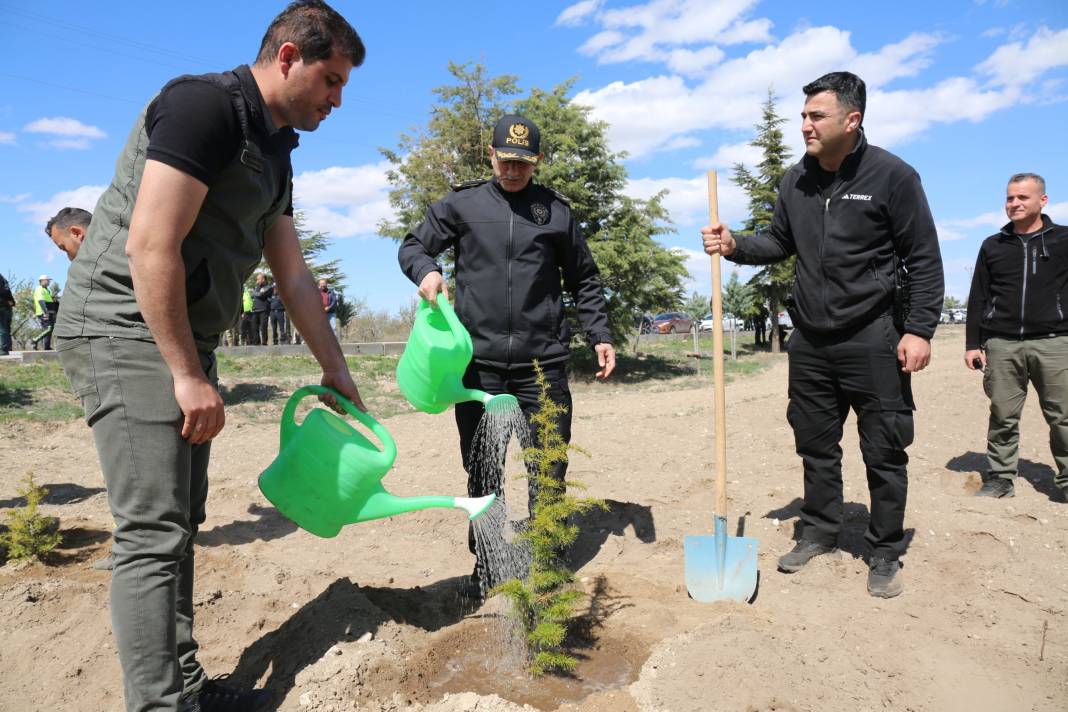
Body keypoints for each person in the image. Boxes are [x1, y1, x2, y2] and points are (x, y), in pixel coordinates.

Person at [52, 3, 366, 710]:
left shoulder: (277, 150)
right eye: (332, 80)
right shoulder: (203, 107)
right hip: (122, 324)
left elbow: (291, 276)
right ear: (288, 57)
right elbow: (149, 244)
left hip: (181, 337)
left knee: (181, 521)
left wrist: (336, 371)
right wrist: (187, 375)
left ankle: (188, 686)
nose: (337, 100)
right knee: (152, 531)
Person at [701, 72, 944, 599]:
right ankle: (820, 532)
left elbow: (923, 257)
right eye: (804, 116)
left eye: (817, 116)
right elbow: (780, 241)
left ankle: (883, 549)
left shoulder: (893, 176)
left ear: (851, 120)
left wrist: (919, 329)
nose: (805, 125)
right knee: (814, 443)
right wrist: (735, 243)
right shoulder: (796, 180)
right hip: (810, 339)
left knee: (883, 448)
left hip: (874, 335)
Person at [398, 113, 617, 597]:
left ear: (536, 161)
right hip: (480, 369)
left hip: (543, 367)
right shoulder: (463, 203)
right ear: (491, 155)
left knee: (548, 466)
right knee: (483, 472)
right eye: (505, 160)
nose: (513, 171)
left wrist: (598, 332)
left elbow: (584, 278)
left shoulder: (556, 212)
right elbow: (413, 245)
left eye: (523, 162)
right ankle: (488, 565)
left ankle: (548, 561)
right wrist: (426, 272)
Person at [965, 174, 1068, 503]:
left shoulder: (1064, 240)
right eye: (1010, 198)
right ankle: (1000, 478)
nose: (1014, 204)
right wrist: (972, 343)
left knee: (1063, 416)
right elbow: (978, 296)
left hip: (1055, 343)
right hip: (1002, 343)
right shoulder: (992, 245)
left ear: (1043, 200)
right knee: (1003, 415)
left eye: (1023, 197)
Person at [31, 274, 55, 350]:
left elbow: (50, 300)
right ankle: (34, 340)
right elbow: (41, 301)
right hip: (43, 312)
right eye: (48, 280)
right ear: (42, 281)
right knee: (48, 329)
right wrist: (46, 312)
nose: (49, 282)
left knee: (49, 330)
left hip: (50, 312)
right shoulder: (39, 289)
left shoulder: (47, 290)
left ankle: (47, 347)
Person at [251, 271, 273, 345]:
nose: (257, 281)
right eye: (256, 279)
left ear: (263, 279)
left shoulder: (269, 287)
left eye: (258, 279)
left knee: (263, 327)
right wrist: (257, 293)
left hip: (263, 310)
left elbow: (261, 295)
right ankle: (256, 342)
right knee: (254, 327)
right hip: (255, 310)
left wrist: (256, 293)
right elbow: (255, 294)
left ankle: (264, 342)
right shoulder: (256, 287)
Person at [0, 272, 13, 355]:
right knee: (6, 329)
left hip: (2, 306)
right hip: (7, 306)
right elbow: (8, 292)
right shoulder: (3, 279)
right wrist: (12, 301)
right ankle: (7, 348)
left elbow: (2, 292)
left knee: (2, 329)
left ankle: (3, 350)